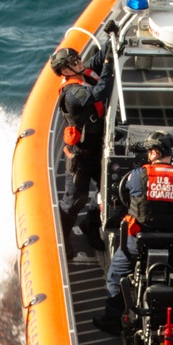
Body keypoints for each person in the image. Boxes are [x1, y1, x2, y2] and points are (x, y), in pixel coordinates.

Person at [93, 130, 173, 335]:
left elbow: (126, 194)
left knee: (116, 275)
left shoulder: (137, 175)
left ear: (154, 153)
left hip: (138, 244)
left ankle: (112, 318)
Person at [49, 20, 119, 250]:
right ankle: (63, 238)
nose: (79, 62)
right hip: (80, 156)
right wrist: (109, 64)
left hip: (96, 150)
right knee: (74, 200)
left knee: (106, 191)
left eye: (78, 59)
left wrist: (111, 39)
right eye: (73, 62)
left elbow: (98, 59)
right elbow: (101, 91)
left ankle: (90, 225)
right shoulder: (73, 93)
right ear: (65, 71)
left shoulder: (83, 72)